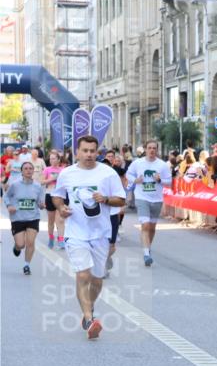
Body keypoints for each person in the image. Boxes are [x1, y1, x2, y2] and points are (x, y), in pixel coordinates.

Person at [51, 135, 127, 339]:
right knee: (83, 275)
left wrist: (106, 199)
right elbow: (57, 195)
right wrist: (61, 207)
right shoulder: (67, 173)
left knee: (97, 280)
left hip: (100, 233)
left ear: (97, 152)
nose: (89, 154)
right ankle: (88, 318)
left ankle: (89, 306)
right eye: (85, 150)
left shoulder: (107, 174)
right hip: (76, 232)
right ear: (78, 152)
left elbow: (121, 200)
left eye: (93, 151)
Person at [126, 139, 172, 267]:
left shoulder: (162, 165)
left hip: (156, 199)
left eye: (154, 148)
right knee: (145, 225)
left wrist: (160, 179)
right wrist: (135, 180)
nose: (152, 150)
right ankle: (146, 254)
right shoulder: (138, 163)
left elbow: (169, 181)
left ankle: (148, 248)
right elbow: (128, 174)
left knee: (152, 228)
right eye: (149, 148)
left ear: (157, 150)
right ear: (145, 149)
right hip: (142, 198)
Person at [5, 160, 46, 275]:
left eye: (30, 168)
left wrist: (42, 205)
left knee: (30, 243)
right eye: (26, 169)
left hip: (33, 218)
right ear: (21, 172)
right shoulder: (15, 185)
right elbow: (6, 197)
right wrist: (9, 206)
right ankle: (17, 247)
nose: (28, 170)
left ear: (33, 171)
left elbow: (39, 202)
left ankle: (26, 265)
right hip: (17, 218)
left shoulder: (38, 186)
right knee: (21, 244)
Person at [43, 150, 67, 249]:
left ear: (58, 159)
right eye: (51, 159)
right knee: (51, 220)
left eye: (54, 158)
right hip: (49, 194)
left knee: (60, 219)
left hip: (60, 195)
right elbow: (42, 181)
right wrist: (51, 179)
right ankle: (51, 237)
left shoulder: (63, 170)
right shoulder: (47, 169)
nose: (52, 160)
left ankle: (61, 239)